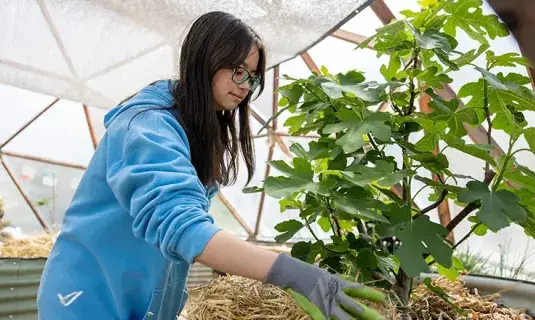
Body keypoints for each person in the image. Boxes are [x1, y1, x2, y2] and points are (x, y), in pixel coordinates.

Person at [36, 11, 386, 320]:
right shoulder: (147, 126)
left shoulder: (193, 130)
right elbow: (183, 228)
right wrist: (294, 274)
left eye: (252, 77)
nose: (245, 87)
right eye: (237, 71)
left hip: (140, 301)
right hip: (86, 300)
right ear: (206, 58)